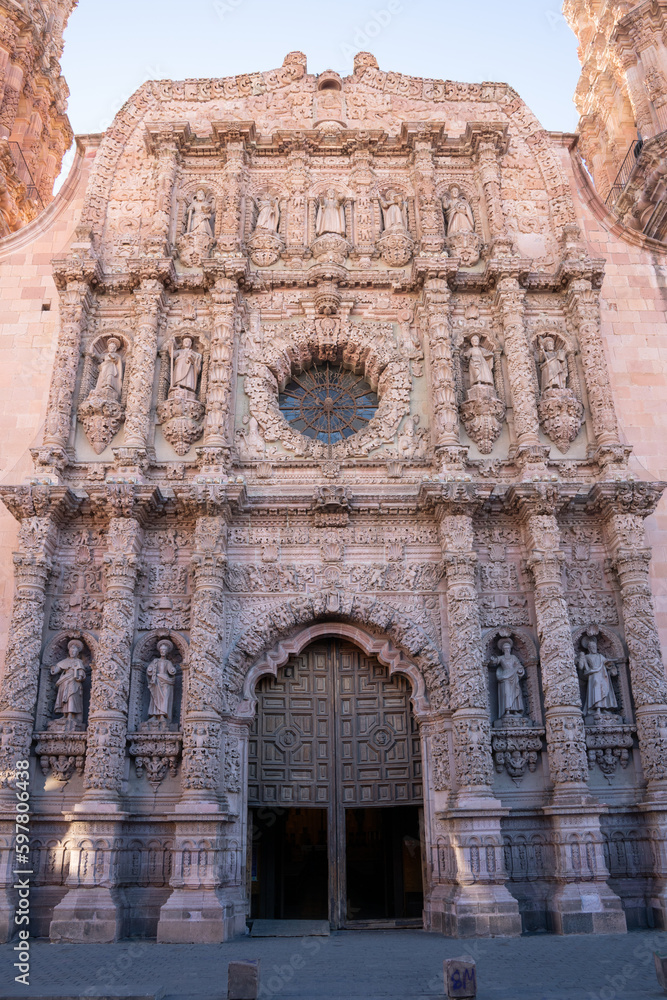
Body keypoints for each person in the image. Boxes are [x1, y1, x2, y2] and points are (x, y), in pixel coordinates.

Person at [578, 635, 618, 716]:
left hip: (602, 675)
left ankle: (604, 708)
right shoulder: (586, 656)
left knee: (604, 691)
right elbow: (582, 667)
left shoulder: (600, 656)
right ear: (589, 648)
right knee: (596, 691)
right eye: (592, 647)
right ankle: (597, 709)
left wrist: (609, 664)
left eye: (595, 646)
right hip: (593, 676)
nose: (594, 648)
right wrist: (580, 658)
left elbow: (606, 664)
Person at [51, 640, 86, 725]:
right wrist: (53, 668)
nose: (72, 652)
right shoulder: (65, 661)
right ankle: (65, 714)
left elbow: (81, 672)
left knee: (72, 697)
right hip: (64, 682)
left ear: (77, 653)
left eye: (74, 651)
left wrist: (79, 677)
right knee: (64, 698)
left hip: (74, 681)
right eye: (71, 651)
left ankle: (71, 715)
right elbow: (57, 669)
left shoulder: (78, 662)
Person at [490, 638, 525, 718]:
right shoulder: (501, 658)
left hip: (514, 676)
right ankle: (507, 710)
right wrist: (492, 659)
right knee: (507, 693)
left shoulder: (513, 657)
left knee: (516, 693)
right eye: (505, 648)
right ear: (502, 649)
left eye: (508, 648)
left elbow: (519, 666)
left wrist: (519, 669)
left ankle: (515, 710)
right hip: (505, 677)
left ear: (510, 649)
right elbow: (494, 662)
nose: (507, 650)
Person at [146, 639, 178, 723]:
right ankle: (154, 715)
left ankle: (162, 715)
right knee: (154, 697)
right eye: (161, 650)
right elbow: (150, 669)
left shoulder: (168, 662)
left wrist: (173, 670)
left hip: (166, 681)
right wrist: (150, 669)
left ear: (167, 652)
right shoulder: (155, 661)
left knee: (165, 697)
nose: (163, 652)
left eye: (164, 650)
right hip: (157, 680)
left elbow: (171, 670)